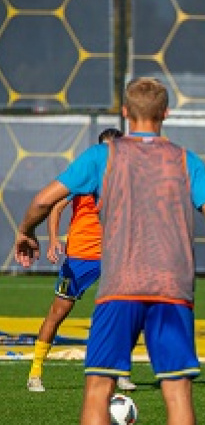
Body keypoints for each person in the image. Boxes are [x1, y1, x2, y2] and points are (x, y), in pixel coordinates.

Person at [14, 77, 205, 425]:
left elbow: (44, 200)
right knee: (177, 392)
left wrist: (27, 231)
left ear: (124, 112)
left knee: (97, 389)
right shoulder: (185, 160)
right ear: (166, 114)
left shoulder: (104, 155)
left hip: (120, 287)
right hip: (174, 289)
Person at [26, 128, 138, 393]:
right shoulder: (86, 173)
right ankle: (35, 372)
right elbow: (55, 206)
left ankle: (119, 372)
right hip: (81, 255)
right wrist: (54, 240)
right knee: (58, 312)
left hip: (114, 255)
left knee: (124, 312)